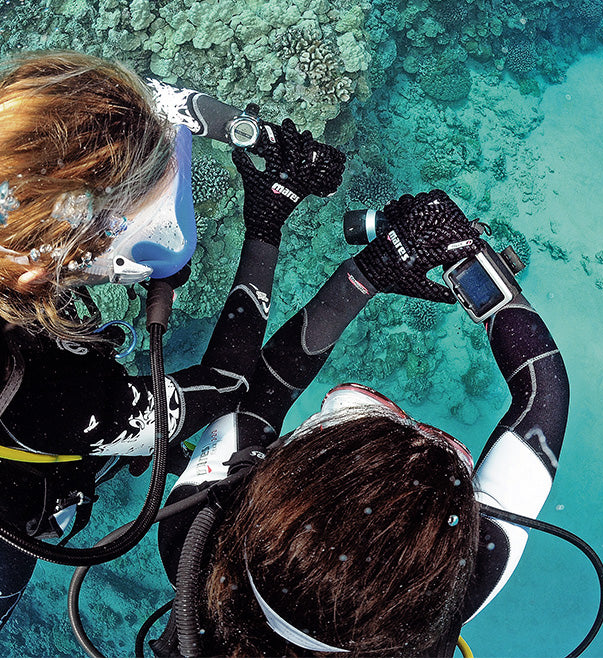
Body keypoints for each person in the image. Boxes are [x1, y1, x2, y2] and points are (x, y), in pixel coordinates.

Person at [0, 51, 345, 657]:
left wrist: (254, 134)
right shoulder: (52, 396)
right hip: (5, 482)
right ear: (51, 261)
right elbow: (226, 385)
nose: (154, 248)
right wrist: (266, 220)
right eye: (144, 231)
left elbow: (153, 110)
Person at [152, 190, 570, 657]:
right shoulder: (447, 594)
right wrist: (464, 268)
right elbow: (546, 392)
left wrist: (374, 272)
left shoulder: (196, 534)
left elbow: (257, 398)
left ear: (272, 479)